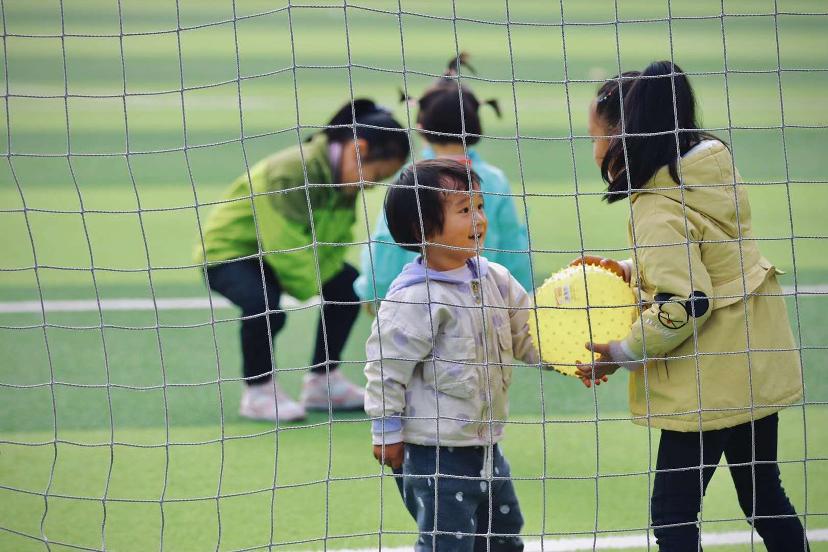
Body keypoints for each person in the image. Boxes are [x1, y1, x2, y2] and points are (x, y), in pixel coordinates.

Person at [575, 62, 808, 551]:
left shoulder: (655, 206)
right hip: (755, 361)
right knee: (765, 496)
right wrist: (631, 267)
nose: (594, 150)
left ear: (625, 140)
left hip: (709, 383)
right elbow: (713, 257)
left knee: (674, 516)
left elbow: (688, 302)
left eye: (595, 138)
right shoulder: (709, 173)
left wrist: (622, 351)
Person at [197, 99, 409, 422]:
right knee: (263, 306)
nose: (371, 185)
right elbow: (284, 245)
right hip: (231, 253)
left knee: (347, 290)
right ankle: (258, 391)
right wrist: (311, 283)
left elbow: (334, 242)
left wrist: (332, 280)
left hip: (280, 254)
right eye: (376, 175)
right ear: (359, 149)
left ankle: (323, 383)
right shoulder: (291, 172)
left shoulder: (342, 180)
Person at [364, 159, 539, 552]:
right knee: (447, 543)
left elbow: (527, 334)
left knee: (504, 534)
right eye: (464, 210)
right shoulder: (415, 297)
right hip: (432, 451)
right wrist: (386, 431)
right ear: (420, 228)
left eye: (479, 206)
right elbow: (385, 369)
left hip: (485, 443)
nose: (478, 218)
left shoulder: (494, 278)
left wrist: (569, 357)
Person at [354, 53, 532, 308]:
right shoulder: (493, 180)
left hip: (415, 303)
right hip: (480, 301)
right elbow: (514, 250)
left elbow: (386, 244)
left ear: (421, 125)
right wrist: (518, 299)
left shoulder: (411, 177)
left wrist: (374, 292)